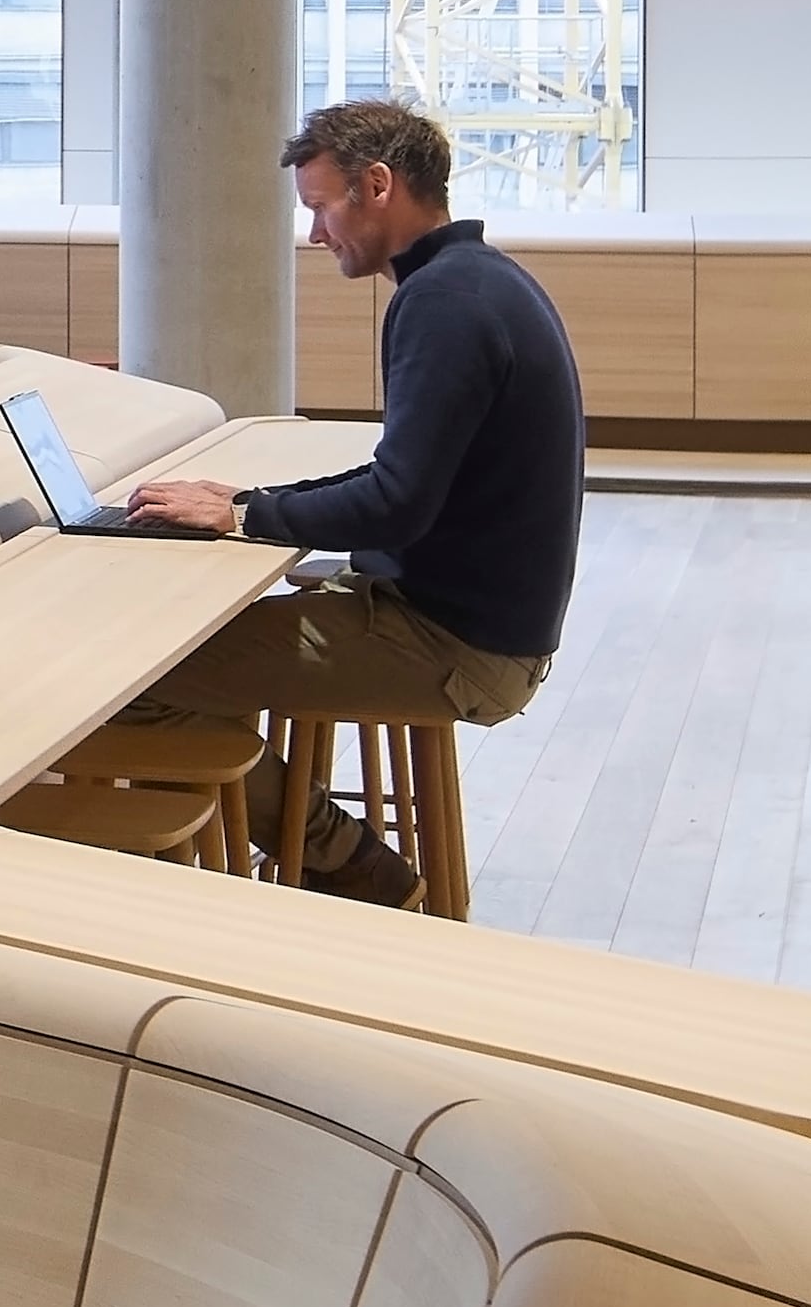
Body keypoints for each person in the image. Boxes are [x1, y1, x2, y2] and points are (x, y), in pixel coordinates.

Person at [113, 97, 581, 896]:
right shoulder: (481, 280)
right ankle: (295, 853)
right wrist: (248, 501)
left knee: (130, 683)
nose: (315, 234)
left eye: (321, 208)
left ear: (376, 185)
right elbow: (398, 480)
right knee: (182, 653)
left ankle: (346, 863)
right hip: (467, 621)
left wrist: (243, 514)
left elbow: (398, 504)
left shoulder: (442, 305)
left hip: (461, 650)